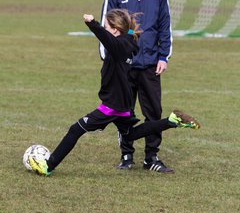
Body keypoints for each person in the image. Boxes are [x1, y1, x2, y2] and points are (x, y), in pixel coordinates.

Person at [29, 9, 200, 176]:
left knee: (76, 129)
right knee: (130, 134)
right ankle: (171, 121)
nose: (105, 30)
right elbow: (123, 34)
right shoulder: (129, 41)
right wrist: (126, 27)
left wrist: (92, 23)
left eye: (107, 27)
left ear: (116, 30)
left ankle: (48, 166)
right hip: (123, 103)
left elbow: (106, 39)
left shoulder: (118, 47)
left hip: (112, 105)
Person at [100, 0, 173, 173]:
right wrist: (108, 58)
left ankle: (151, 157)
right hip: (123, 66)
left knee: (153, 112)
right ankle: (126, 155)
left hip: (150, 64)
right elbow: (105, 28)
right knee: (124, 112)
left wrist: (164, 57)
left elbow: (164, 27)